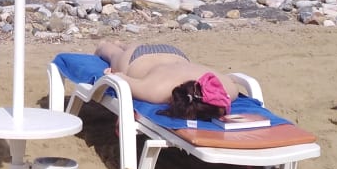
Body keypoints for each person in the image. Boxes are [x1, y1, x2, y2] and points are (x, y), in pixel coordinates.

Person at [93, 38, 249, 120]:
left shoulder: (226, 89)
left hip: (174, 54)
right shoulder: (156, 92)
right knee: (113, 54)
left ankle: (122, 44)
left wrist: (114, 75)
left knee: (129, 49)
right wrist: (111, 74)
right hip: (140, 59)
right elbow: (120, 78)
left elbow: (231, 88)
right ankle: (104, 45)